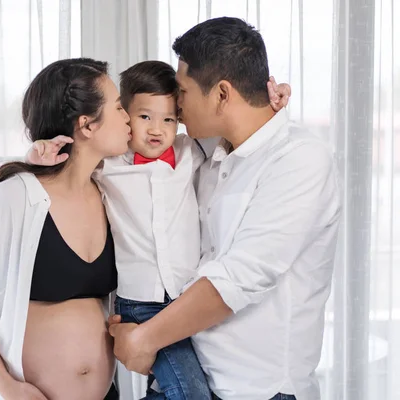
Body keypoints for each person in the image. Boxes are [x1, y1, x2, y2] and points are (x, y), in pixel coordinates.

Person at [107, 17, 341, 400]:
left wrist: (143, 339)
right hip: (191, 372)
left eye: (181, 91)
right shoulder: (208, 152)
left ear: (221, 94)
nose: (176, 106)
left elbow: (239, 277)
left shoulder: (300, 159)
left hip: (256, 391)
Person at [27, 59, 290, 399]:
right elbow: (70, 165)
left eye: (168, 119)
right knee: (188, 390)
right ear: (126, 118)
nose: (156, 129)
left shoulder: (190, 152)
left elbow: (241, 132)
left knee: (178, 387)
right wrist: (38, 152)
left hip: (186, 301)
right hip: (141, 303)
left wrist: (273, 106)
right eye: (144, 117)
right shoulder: (109, 165)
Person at [0, 57, 131, 400]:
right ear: (87, 125)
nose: (129, 118)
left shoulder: (113, 194)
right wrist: (7, 386)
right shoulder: (10, 201)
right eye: (119, 108)